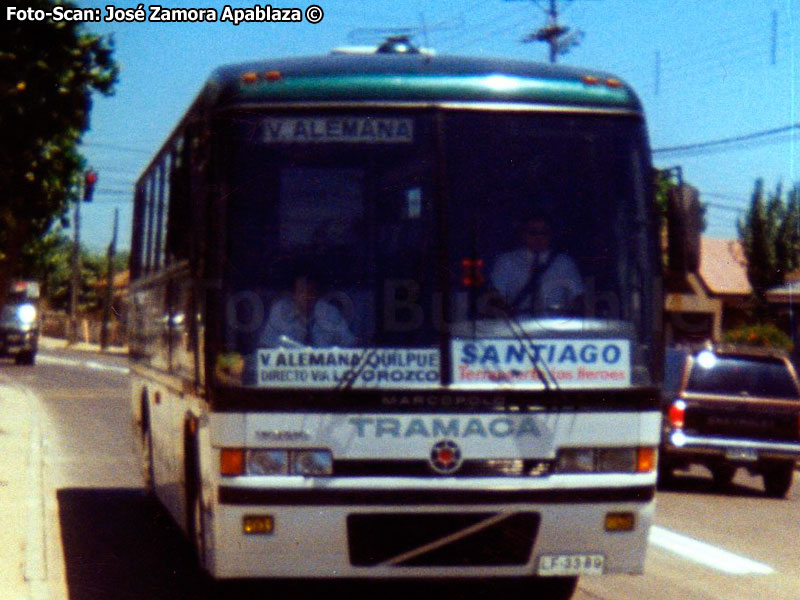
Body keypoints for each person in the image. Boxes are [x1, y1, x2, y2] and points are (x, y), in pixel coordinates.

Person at [491, 212, 583, 315]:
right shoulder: (507, 261)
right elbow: (495, 296)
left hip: (556, 324)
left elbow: (577, 296)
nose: (538, 237)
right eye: (533, 232)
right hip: (518, 323)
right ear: (523, 234)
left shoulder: (564, 262)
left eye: (544, 233)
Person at [258, 272, 356, 348]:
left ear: (317, 294)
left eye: (310, 292)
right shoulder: (280, 311)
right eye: (302, 292)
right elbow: (264, 345)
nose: (306, 297)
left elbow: (350, 344)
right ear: (294, 294)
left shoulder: (330, 312)